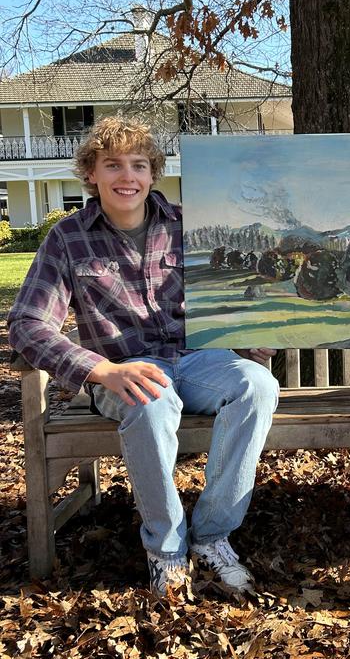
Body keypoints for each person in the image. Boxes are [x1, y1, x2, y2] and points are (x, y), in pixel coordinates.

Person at [8, 116, 279, 598]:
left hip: (196, 360)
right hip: (122, 370)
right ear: (90, 173)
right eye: (112, 165)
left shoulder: (188, 225)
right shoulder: (67, 238)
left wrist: (248, 334)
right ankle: (167, 550)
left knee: (257, 384)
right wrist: (102, 370)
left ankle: (213, 535)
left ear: (153, 173)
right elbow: (28, 324)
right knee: (150, 399)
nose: (126, 176)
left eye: (138, 164)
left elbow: (233, 290)